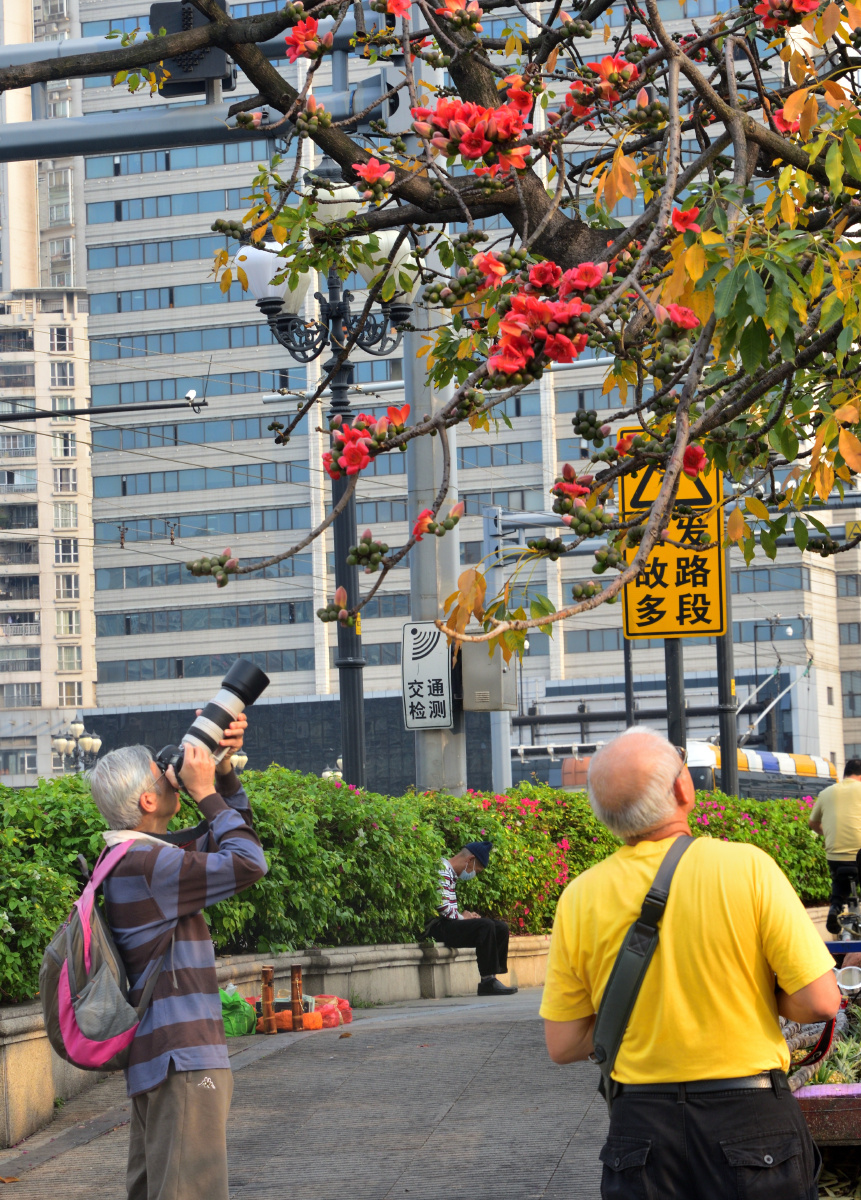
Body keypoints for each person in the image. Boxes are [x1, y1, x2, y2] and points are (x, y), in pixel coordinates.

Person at [540, 727, 839, 1199]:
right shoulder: (747, 868)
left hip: (640, 1133)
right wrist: (761, 995)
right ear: (683, 788)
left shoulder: (578, 898)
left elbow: (562, 1043)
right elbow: (821, 1001)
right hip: (751, 1124)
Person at [88, 713, 267, 1200]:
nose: (171, 776)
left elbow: (232, 837)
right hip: (184, 1064)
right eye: (160, 774)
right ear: (147, 802)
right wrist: (204, 790)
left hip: (162, 1061)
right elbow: (250, 862)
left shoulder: (133, 859)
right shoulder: (149, 865)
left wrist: (223, 772)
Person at [427, 841, 517, 996]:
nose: (474, 874)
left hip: (448, 923)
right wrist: (463, 917)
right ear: (470, 860)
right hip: (437, 927)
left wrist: (466, 917)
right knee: (485, 926)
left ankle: (493, 976)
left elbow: (446, 907)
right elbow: (442, 907)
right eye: (476, 870)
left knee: (500, 927)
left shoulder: (450, 873)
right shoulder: (442, 870)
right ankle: (487, 982)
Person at [808, 759, 861, 934]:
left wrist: (828, 834)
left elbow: (812, 823)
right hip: (859, 854)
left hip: (835, 856)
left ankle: (835, 907)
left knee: (839, 882)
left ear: (844, 775)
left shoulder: (826, 793)